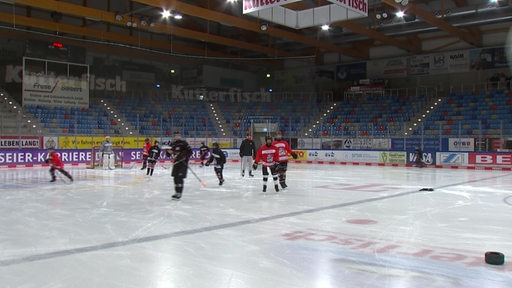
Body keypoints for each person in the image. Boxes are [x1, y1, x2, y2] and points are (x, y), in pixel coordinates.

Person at [165, 132, 193, 200]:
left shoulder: (184, 143)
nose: (177, 136)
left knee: (180, 177)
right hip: (176, 163)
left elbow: (190, 152)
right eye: (176, 135)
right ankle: (176, 192)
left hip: (183, 163)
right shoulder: (172, 144)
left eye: (178, 135)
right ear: (174, 137)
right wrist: (168, 152)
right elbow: (168, 155)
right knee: (175, 178)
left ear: (180, 136)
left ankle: (179, 193)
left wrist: (184, 157)